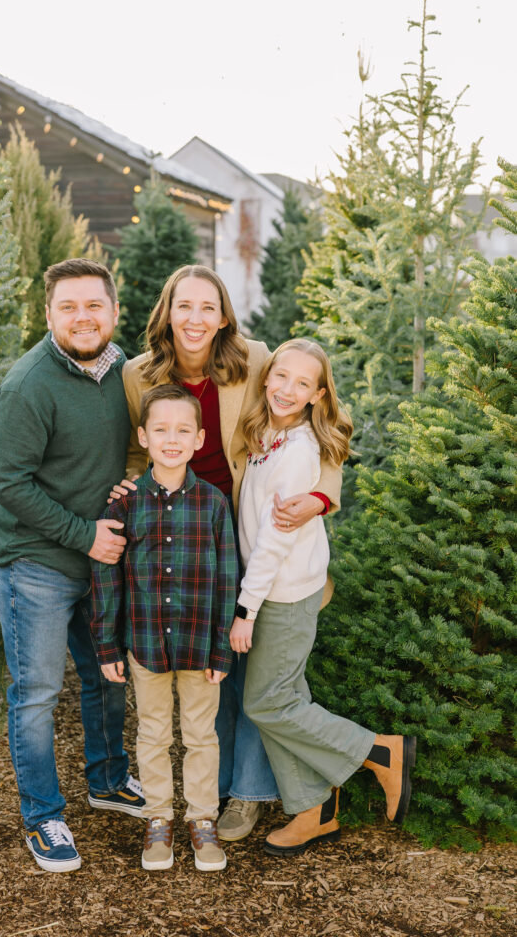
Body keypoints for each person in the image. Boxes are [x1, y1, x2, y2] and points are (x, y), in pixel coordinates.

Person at [118, 264, 343, 841]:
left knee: (248, 674)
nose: (195, 320)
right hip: (184, 532)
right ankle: (209, 790)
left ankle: (249, 792)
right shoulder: (137, 373)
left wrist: (320, 497)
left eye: (208, 308)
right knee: (207, 665)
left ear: (224, 317)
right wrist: (127, 489)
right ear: (167, 311)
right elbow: (137, 449)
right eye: (184, 306)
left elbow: (315, 426)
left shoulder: (256, 357)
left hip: (248, 526)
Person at [0, 258, 145, 874]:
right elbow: (7, 482)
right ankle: (42, 815)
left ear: (112, 309)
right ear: (48, 314)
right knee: (38, 692)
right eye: (68, 307)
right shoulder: (30, 385)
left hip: (99, 562)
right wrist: (84, 536)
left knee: (106, 676)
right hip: (37, 565)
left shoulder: (122, 370)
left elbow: (134, 442)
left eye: (93, 306)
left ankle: (108, 781)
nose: (83, 318)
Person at [230, 339, 416, 856]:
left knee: (268, 701)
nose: (287, 389)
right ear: (266, 378)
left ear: (318, 394)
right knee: (284, 699)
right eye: (280, 376)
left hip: (284, 594)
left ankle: (379, 751)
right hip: (269, 588)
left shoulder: (299, 451)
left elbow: (274, 541)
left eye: (302, 383)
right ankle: (315, 810)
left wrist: (246, 609)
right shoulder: (267, 432)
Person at [90, 385, 238, 872]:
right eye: (160, 430)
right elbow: (107, 577)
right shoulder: (125, 504)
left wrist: (222, 650)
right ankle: (158, 820)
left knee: (201, 735)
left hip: (200, 644)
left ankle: (201, 820)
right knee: (152, 734)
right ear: (144, 436)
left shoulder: (214, 504)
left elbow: (225, 578)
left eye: (182, 430)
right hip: (146, 643)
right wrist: (107, 645)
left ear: (198, 439)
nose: (171, 439)